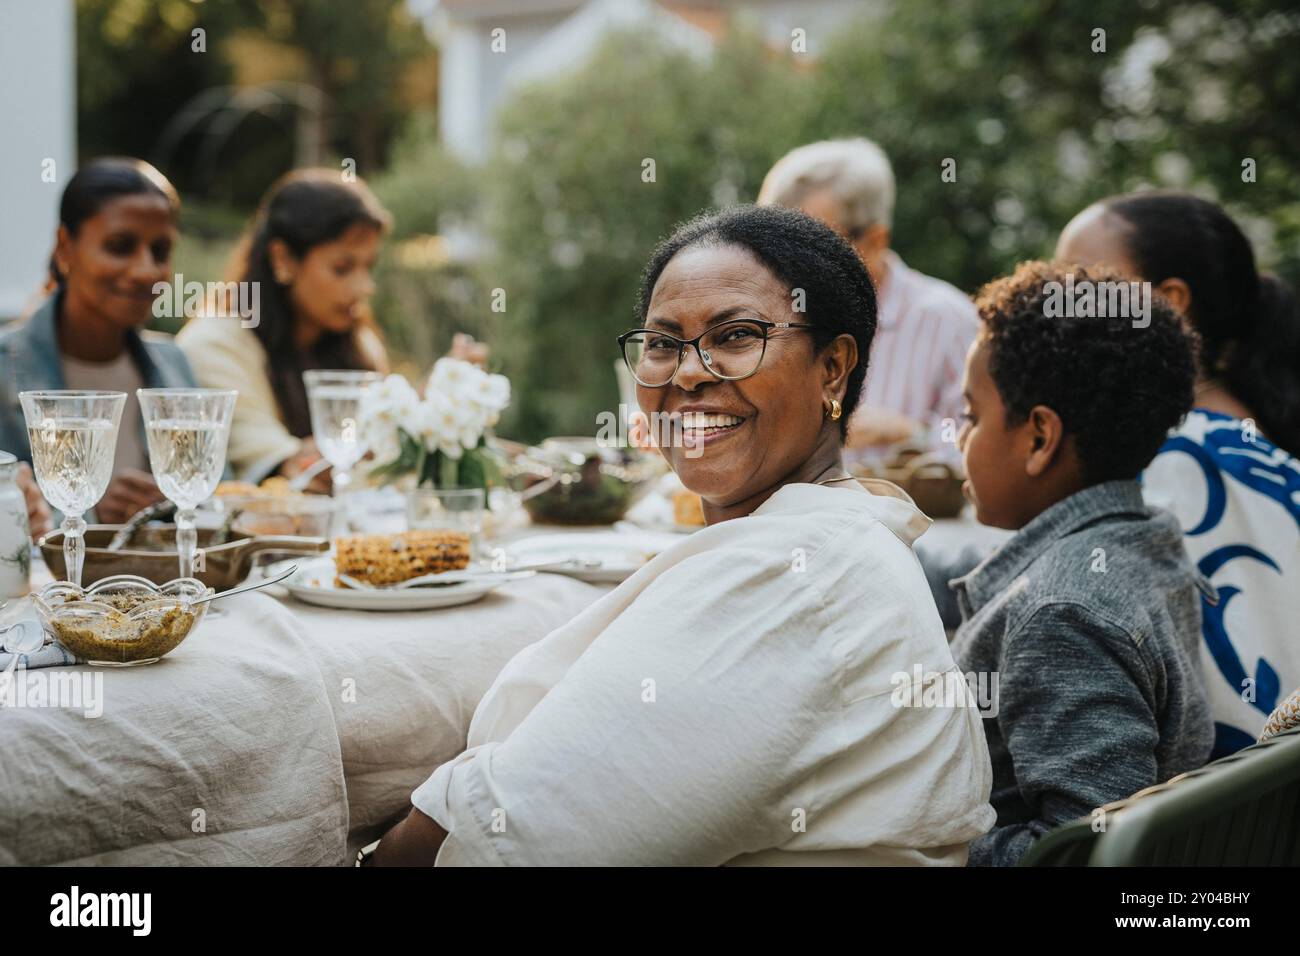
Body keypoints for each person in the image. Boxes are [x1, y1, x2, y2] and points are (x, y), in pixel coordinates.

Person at [368, 206, 994, 866]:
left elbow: (515, 837)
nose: (689, 373)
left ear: (832, 368)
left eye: (736, 336)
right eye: (664, 344)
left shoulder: (798, 572)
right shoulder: (823, 535)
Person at [949, 260, 1213, 866]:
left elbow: (1080, 855)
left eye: (971, 416)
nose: (960, 439)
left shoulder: (1063, 614)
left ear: (1039, 438)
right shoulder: (1145, 540)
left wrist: (914, 840)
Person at [1056, 191, 1300, 757]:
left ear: (1167, 305)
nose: (1048, 306)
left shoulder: (1173, 468)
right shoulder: (1253, 447)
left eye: (1077, 286)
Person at [0, 157, 197, 525]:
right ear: (65, 248)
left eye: (161, 251)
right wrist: (90, 516)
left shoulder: (175, 362)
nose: (146, 271)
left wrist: (171, 508)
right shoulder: (4, 366)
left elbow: (221, 501)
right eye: (120, 246)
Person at [758, 138, 977, 462]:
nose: (788, 264)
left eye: (812, 246)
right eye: (775, 245)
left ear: (875, 240)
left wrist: (910, 434)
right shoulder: (769, 320)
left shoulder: (949, 320)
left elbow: (987, 458)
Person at [177, 169, 392, 486]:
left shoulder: (360, 344)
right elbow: (285, 467)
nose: (365, 287)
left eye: (368, 267)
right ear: (284, 259)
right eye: (342, 268)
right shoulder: (214, 345)